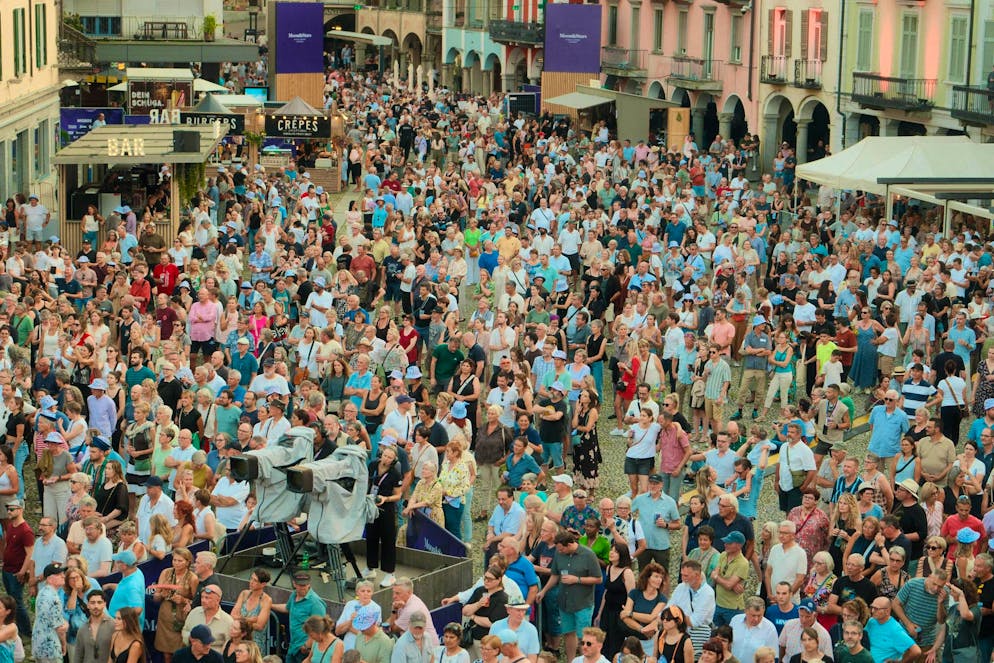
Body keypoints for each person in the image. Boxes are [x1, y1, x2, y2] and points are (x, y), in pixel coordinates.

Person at [535, 530, 603, 662]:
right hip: (564, 602)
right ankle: (571, 660)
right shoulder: (559, 553)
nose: (559, 551)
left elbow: (598, 579)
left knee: (584, 637)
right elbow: (555, 575)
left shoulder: (588, 555)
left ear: (570, 544)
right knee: (568, 633)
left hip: (582, 603)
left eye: (561, 549)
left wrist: (577, 579)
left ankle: (586, 660)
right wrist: (543, 591)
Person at [272, 573, 328, 663]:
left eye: (305, 585)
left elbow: (321, 629)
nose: (303, 588)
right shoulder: (293, 595)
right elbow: (287, 608)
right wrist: (270, 605)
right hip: (293, 647)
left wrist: (306, 646)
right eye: (300, 585)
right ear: (294, 584)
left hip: (305, 650)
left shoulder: (316, 603)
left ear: (309, 584)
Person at [865, 596, 921, 663]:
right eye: (872, 607)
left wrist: (901, 662)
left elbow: (916, 651)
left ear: (887, 611)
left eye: (876, 609)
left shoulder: (895, 630)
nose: (872, 611)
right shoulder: (872, 621)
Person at [33, 562, 69, 663]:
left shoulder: (42, 592)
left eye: (62, 573)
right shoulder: (54, 598)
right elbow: (60, 628)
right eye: (58, 575)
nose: (63, 576)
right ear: (49, 579)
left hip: (38, 644)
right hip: (50, 648)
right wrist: (64, 643)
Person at [183, 584, 235, 654]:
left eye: (207, 598)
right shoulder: (194, 612)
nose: (203, 600)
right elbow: (185, 630)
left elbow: (229, 644)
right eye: (202, 597)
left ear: (217, 600)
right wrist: (190, 639)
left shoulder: (228, 621)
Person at [728, 597, 779, 663]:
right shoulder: (735, 620)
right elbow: (728, 644)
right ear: (745, 610)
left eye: (759, 615)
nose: (756, 619)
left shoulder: (770, 629)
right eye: (753, 615)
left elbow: (774, 657)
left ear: (764, 611)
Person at [71, 590, 115, 663]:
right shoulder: (82, 629)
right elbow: (78, 656)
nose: (96, 606)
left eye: (99, 602)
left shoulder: (114, 625)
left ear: (104, 604)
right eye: (92, 603)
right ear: (88, 605)